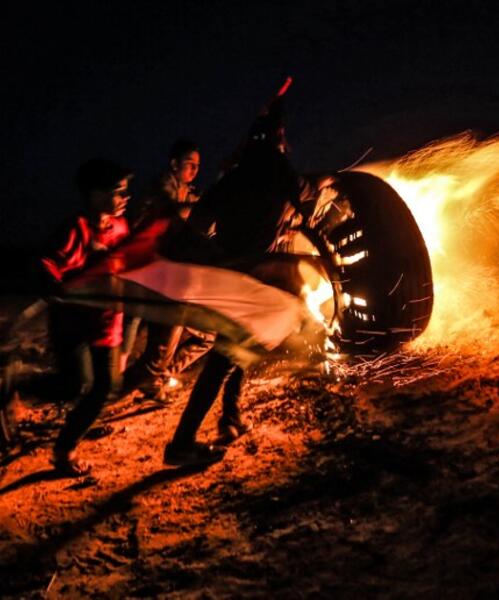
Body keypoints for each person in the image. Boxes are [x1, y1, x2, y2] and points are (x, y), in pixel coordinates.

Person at [163, 86, 306, 466]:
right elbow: (307, 202)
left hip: (232, 278)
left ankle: (230, 416)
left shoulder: (233, 178)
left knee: (240, 348)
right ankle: (183, 442)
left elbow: (197, 225)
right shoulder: (279, 173)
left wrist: (220, 254)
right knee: (226, 355)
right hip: (249, 282)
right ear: (277, 142)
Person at [39, 158, 132, 476]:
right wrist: (54, 284)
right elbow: (48, 262)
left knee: (107, 387)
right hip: (73, 324)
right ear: (94, 194)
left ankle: (65, 448)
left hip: (107, 323)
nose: (124, 198)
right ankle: (19, 390)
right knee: (74, 385)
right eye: (118, 192)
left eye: (125, 192)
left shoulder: (120, 227)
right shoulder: (76, 228)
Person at [122, 140, 215, 399]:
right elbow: (172, 211)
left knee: (206, 336)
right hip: (146, 275)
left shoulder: (188, 191)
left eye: (198, 166)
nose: (195, 170)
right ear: (174, 164)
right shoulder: (162, 188)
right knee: (133, 344)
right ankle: (104, 397)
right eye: (190, 164)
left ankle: (160, 377)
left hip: (171, 279)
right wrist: (204, 209)